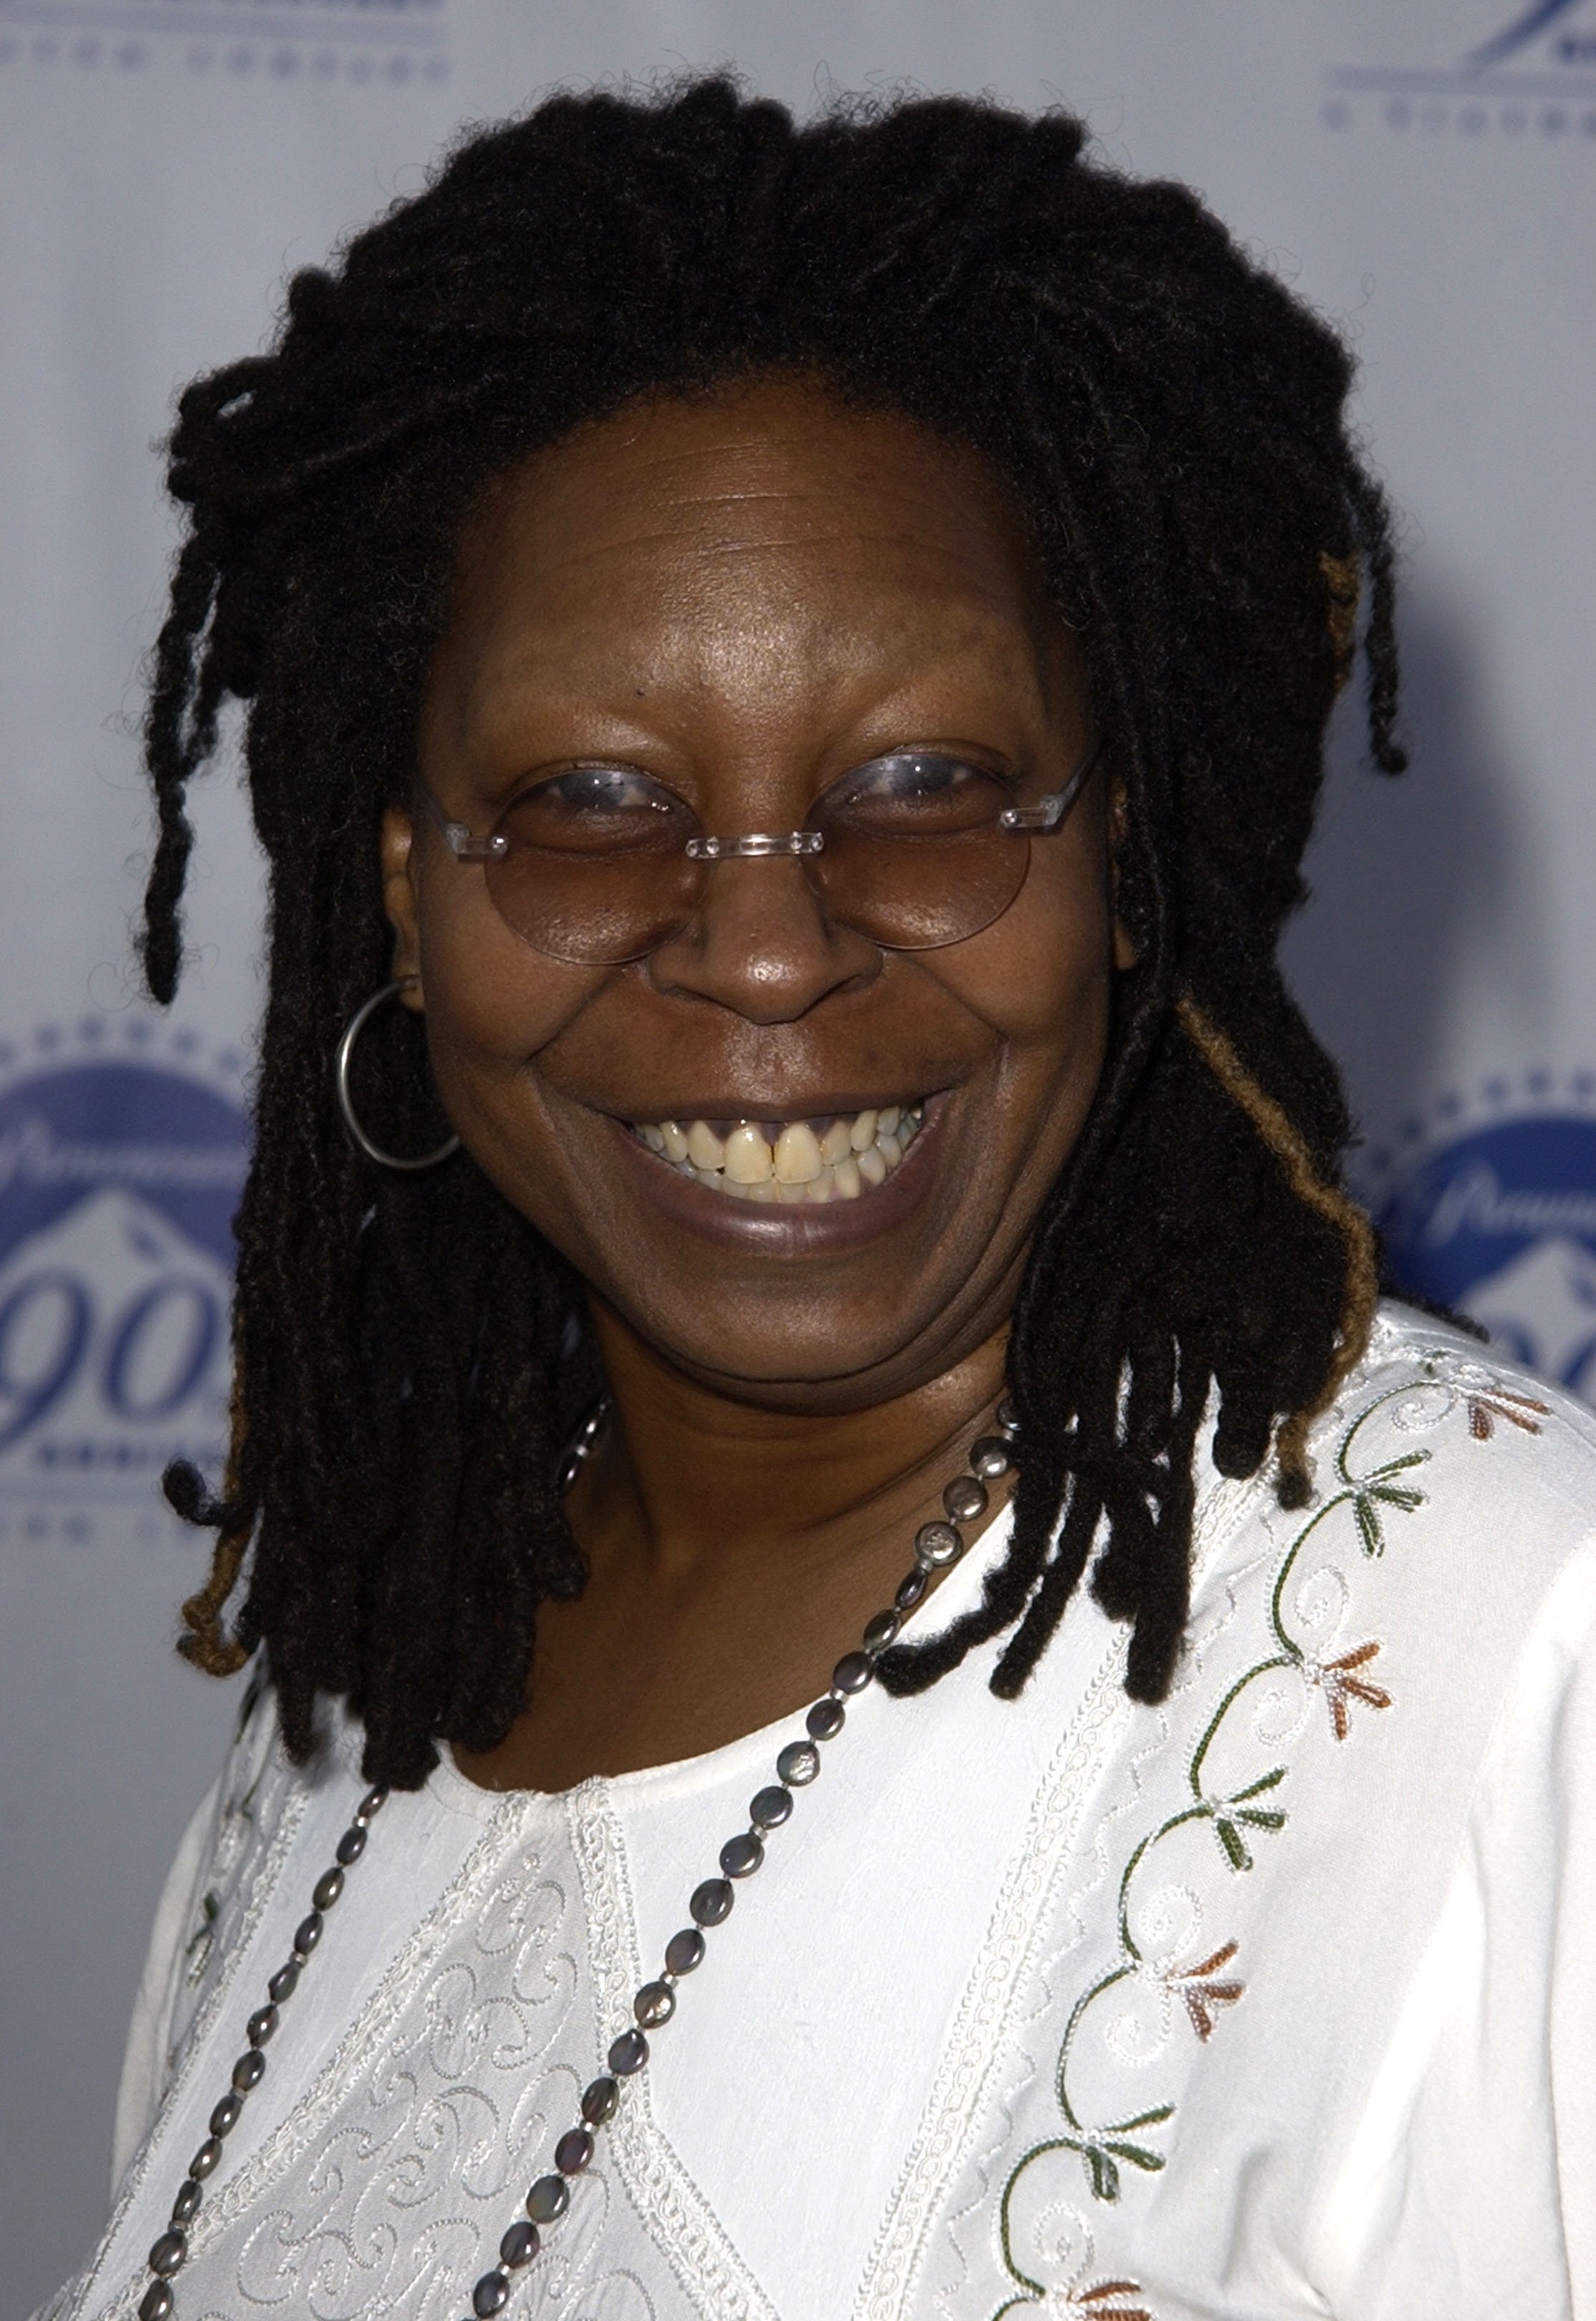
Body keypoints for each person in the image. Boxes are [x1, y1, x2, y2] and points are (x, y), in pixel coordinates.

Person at [40, 77, 1595, 2321]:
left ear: (1124, 858)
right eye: (586, 805)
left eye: (926, 790)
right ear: (404, 894)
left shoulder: (1501, 1641)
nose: (765, 949)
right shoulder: (367, 1663)